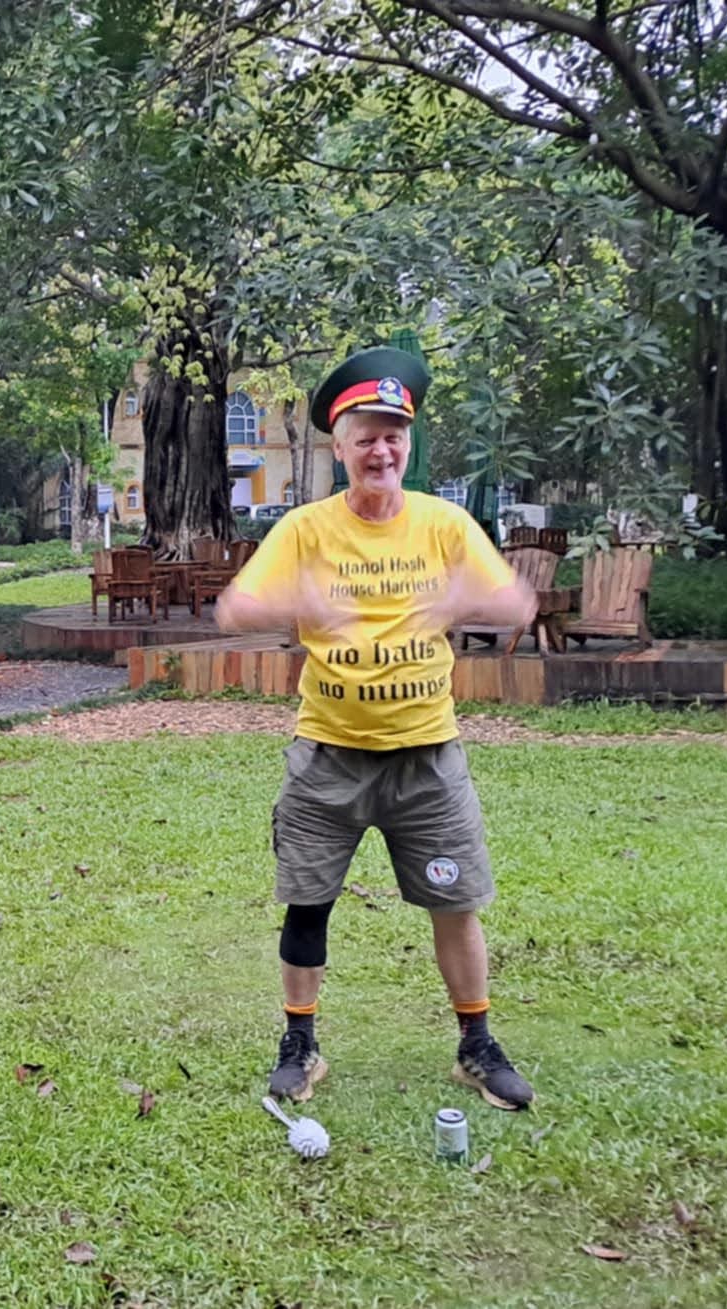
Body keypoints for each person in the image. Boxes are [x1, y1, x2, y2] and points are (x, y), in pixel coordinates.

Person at [215, 347, 540, 1111]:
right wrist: (305, 601)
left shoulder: (444, 524)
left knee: (456, 904)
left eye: (394, 436)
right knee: (308, 901)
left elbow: (516, 605)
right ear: (341, 447)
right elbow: (235, 607)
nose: (382, 451)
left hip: (428, 758)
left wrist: (458, 599)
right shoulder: (306, 529)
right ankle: (301, 1041)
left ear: (408, 444)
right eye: (366, 437)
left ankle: (476, 1043)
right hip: (328, 756)